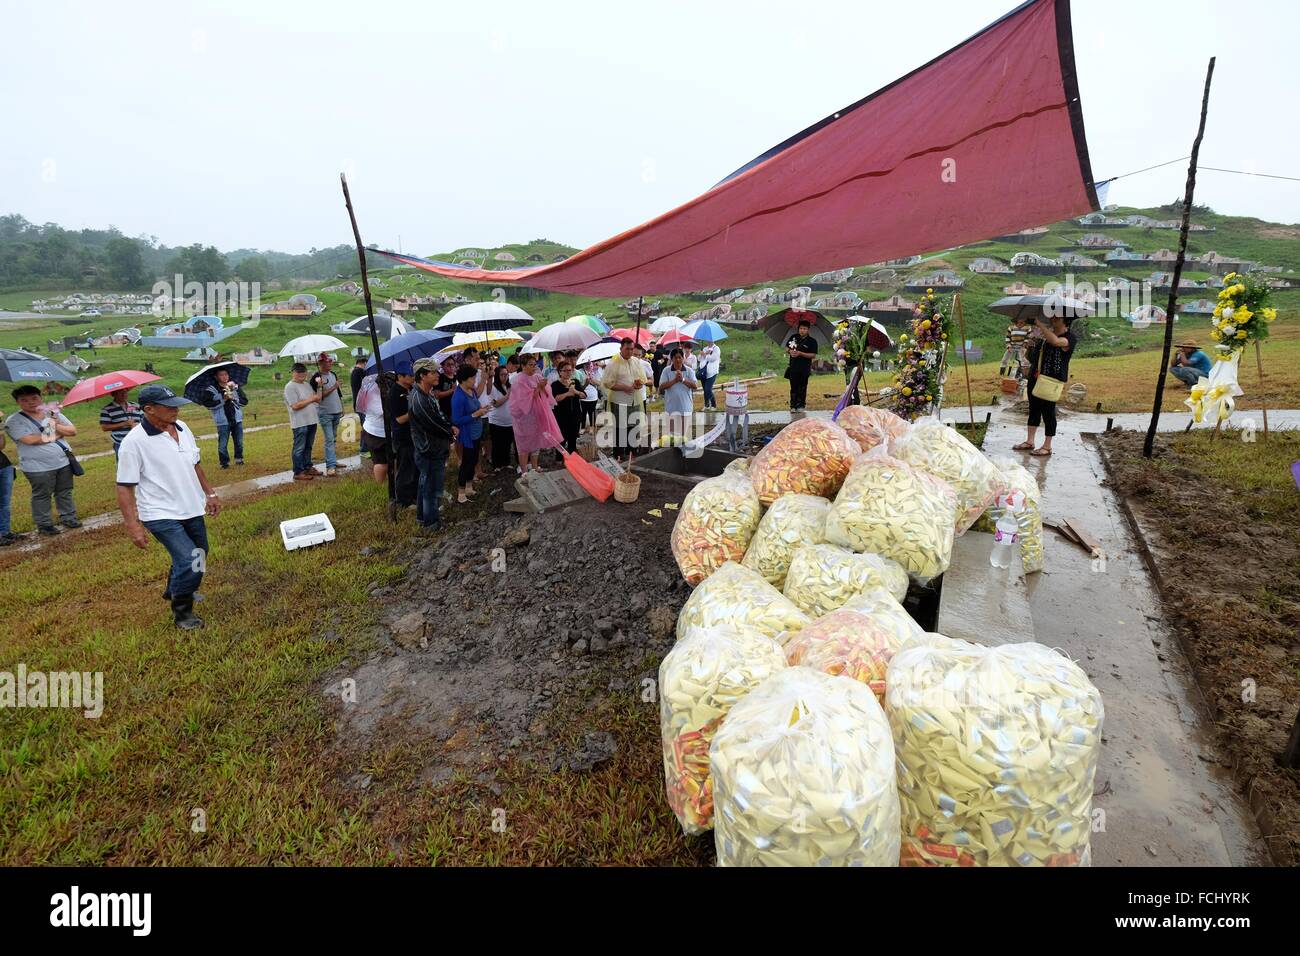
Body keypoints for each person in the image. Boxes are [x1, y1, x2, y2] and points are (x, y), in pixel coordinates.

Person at [116, 384, 221, 630]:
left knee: (200, 553)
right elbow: (124, 487)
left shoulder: (183, 428)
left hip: (191, 506)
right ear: (149, 409)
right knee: (189, 559)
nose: (176, 410)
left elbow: (194, 463)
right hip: (160, 512)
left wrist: (210, 493)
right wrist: (133, 526)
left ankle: (175, 588)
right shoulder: (134, 443)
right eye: (169, 407)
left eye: (176, 405)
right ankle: (182, 612)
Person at [4, 385, 80, 535]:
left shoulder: (51, 413)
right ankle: (44, 525)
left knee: (64, 491)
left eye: (34, 398)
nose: (31, 402)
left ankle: (69, 517)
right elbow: (30, 440)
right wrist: (56, 433)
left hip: (63, 461)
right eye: (24, 400)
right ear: (18, 402)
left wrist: (53, 424)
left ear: (41, 398)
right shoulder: (14, 421)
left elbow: (72, 431)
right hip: (37, 467)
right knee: (42, 495)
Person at [1013, 314, 1079, 457]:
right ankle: (1030, 441)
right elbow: (1031, 359)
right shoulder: (1044, 338)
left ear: (1066, 320)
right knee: (1034, 408)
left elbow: (1055, 342)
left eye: (1057, 318)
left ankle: (1047, 446)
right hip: (1035, 377)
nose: (1053, 319)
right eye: (1052, 317)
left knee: (1048, 411)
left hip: (1051, 380)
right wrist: (1030, 346)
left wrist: (1039, 324)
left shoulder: (1070, 338)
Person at [409, 359, 455, 532]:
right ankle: (431, 523)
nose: (437, 375)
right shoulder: (419, 399)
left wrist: (449, 426)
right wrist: (450, 431)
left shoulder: (426, 394)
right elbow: (433, 424)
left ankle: (423, 517)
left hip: (431, 447)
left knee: (425, 483)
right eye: (433, 372)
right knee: (431, 487)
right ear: (422, 375)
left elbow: (439, 415)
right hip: (430, 449)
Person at [508, 353, 562, 473]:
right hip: (524, 417)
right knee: (524, 444)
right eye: (530, 365)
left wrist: (543, 386)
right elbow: (523, 401)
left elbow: (547, 394)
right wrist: (538, 388)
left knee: (536, 441)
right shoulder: (518, 380)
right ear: (523, 366)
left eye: (534, 365)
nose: (533, 367)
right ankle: (523, 470)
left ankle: (534, 466)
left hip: (537, 414)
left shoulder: (537, 376)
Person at [451, 365, 491, 502]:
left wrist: (482, 409)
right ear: (463, 379)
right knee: (467, 462)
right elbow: (456, 420)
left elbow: (476, 405)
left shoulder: (471, 391)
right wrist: (475, 415)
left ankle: (469, 486)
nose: (474, 380)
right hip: (467, 433)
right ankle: (461, 492)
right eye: (472, 378)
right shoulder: (458, 397)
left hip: (476, 431)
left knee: (474, 458)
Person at [601, 338, 645, 461]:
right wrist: (624, 387)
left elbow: (642, 379)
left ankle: (631, 453)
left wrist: (638, 384)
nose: (630, 351)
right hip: (619, 401)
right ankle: (619, 455)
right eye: (627, 349)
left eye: (632, 349)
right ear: (621, 349)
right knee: (620, 429)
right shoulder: (614, 363)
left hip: (634, 400)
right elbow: (608, 383)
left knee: (633, 427)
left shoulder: (636, 361)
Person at [198, 367, 248, 469]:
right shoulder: (211, 390)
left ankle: (239, 459)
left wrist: (234, 397)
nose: (224, 377)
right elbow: (208, 405)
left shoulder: (234, 387)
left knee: (239, 442)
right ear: (216, 377)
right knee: (223, 444)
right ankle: (224, 463)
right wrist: (223, 399)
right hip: (222, 421)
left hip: (237, 419)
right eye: (221, 375)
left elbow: (245, 401)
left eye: (226, 374)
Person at [310, 353, 347, 477]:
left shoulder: (333, 374)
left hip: (336, 410)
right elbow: (318, 397)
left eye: (331, 361)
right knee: (329, 439)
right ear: (320, 363)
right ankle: (330, 465)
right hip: (325, 413)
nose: (330, 363)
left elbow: (338, 392)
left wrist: (342, 407)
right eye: (327, 362)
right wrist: (333, 386)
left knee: (334, 438)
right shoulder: (316, 377)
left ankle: (333, 460)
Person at [283, 363, 321, 481]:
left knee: (308, 446)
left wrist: (319, 386)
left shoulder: (307, 385)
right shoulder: (290, 387)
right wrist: (311, 399)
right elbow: (295, 406)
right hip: (300, 423)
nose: (301, 374)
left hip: (311, 420)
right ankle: (298, 471)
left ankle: (308, 467)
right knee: (299, 448)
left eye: (303, 371)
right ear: (293, 373)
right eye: (298, 371)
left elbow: (317, 398)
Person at [389, 361, 418, 507]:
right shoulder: (394, 393)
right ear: (400, 377)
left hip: (413, 435)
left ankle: (414, 495)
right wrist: (416, 410)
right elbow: (400, 419)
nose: (413, 377)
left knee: (415, 467)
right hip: (403, 436)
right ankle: (403, 501)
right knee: (405, 468)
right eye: (410, 375)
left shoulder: (411, 389)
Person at [357, 371, 389, 484]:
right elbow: (382, 411)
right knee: (381, 462)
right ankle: (379, 486)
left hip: (386, 431)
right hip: (375, 432)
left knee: (391, 460)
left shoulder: (381, 390)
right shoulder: (373, 393)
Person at [660, 347, 699, 436]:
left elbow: (695, 386)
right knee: (672, 435)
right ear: (672, 359)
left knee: (682, 435)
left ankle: (682, 448)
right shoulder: (666, 370)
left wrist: (683, 379)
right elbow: (661, 387)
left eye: (680, 357)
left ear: (683, 358)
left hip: (685, 407)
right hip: (671, 407)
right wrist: (675, 380)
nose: (678, 360)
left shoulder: (689, 370)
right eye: (675, 358)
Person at [98, 388, 143, 458]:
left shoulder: (135, 406)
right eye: (120, 392)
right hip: (121, 442)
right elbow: (104, 427)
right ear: (113, 394)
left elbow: (144, 420)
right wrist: (124, 424)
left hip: (139, 440)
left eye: (125, 392)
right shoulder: (107, 409)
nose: (124, 394)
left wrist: (138, 425)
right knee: (125, 465)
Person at [485, 364, 515, 471]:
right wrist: (507, 396)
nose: (505, 377)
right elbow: (496, 404)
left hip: (509, 421)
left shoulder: (509, 386)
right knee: (497, 443)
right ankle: (497, 464)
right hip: (496, 421)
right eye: (502, 375)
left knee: (507, 443)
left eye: (506, 374)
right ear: (497, 375)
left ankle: (506, 462)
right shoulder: (492, 387)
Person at [551, 361, 584, 454]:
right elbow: (555, 398)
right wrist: (567, 393)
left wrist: (576, 391)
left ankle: (573, 457)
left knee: (573, 437)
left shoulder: (575, 382)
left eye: (570, 370)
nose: (568, 373)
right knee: (561, 438)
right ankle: (559, 458)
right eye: (565, 370)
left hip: (575, 415)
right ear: (560, 372)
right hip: (561, 416)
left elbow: (584, 395)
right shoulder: (555, 384)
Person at [785, 318, 818, 410]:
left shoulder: (812, 341)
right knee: (793, 387)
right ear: (798, 329)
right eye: (800, 328)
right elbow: (787, 348)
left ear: (808, 330)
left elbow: (813, 355)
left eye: (804, 329)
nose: (802, 330)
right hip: (793, 367)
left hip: (804, 368)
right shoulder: (793, 337)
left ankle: (801, 405)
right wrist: (790, 352)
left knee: (802, 387)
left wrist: (800, 353)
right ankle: (792, 405)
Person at [0, 413, 17, 546]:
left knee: (4, 503)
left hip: (3, 466)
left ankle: (5, 532)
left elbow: (1, 446)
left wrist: (0, 432)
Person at [698, 341, 721, 409]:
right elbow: (699, 359)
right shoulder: (705, 348)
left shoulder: (716, 348)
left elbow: (713, 359)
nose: (709, 341)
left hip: (712, 372)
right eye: (708, 339)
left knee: (708, 389)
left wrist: (705, 355)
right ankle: (706, 405)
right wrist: (702, 353)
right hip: (703, 372)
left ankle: (713, 405)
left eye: (710, 339)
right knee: (705, 390)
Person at [580, 365, 600, 431]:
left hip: (593, 396)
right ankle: (583, 427)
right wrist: (585, 382)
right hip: (583, 397)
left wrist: (592, 380)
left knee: (592, 412)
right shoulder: (580, 372)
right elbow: (579, 385)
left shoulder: (595, 372)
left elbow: (599, 383)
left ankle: (592, 426)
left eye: (590, 364)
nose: (589, 366)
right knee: (583, 412)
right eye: (587, 364)